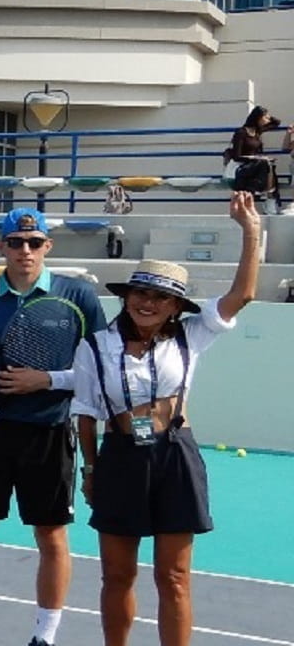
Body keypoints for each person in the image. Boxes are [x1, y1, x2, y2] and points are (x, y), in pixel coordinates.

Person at [75, 195, 262, 646]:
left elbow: (243, 295)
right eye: (141, 293)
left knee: (174, 577)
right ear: (126, 297)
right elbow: (85, 414)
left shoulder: (191, 336)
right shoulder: (95, 345)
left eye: (161, 297)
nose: (148, 303)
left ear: (176, 306)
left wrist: (251, 231)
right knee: (117, 575)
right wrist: (91, 469)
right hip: (120, 458)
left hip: (176, 457)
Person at [0, 208, 109, 646]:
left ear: (48, 246)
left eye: (34, 243)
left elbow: (99, 371)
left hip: (49, 432)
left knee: (51, 536)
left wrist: (45, 380)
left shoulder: (79, 296)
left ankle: (44, 637)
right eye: (15, 242)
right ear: (2, 247)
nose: (25, 250)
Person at [223, 106, 284, 210]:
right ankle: (267, 198)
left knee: (269, 165)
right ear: (258, 118)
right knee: (264, 164)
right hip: (240, 166)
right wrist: (254, 158)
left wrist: (268, 116)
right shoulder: (241, 133)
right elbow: (236, 156)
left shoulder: (257, 131)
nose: (267, 120)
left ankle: (267, 198)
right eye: (265, 117)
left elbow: (277, 122)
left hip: (254, 165)